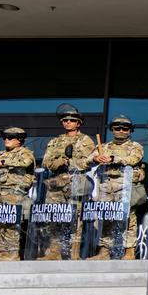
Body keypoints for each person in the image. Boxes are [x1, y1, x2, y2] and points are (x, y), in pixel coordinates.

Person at [39, 105, 96, 259]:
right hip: (56, 183)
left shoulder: (86, 140)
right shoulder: (55, 141)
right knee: (54, 217)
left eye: (72, 120)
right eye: (65, 120)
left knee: (74, 219)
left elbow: (89, 161)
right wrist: (56, 163)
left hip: (75, 182)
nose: (68, 122)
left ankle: (73, 253)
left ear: (79, 123)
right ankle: (55, 251)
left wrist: (69, 163)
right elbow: (46, 161)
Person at [87, 115, 144, 260]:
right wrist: (96, 158)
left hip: (125, 185)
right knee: (105, 218)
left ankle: (129, 250)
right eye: (117, 128)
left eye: (125, 128)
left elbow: (134, 159)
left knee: (128, 219)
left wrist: (113, 159)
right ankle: (104, 251)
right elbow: (88, 159)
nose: (121, 131)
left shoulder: (135, 146)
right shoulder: (104, 146)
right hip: (106, 185)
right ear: (112, 129)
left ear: (130, 131)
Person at [0, 127, 35, 261]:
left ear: (19, 140)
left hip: (14, 194)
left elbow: (25, 162)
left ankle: (11, 256)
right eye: (5, 138)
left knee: (11, 226)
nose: (6, 140)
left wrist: (3, 162)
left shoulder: (25, 153)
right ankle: (2, 253)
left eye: (10, 138)